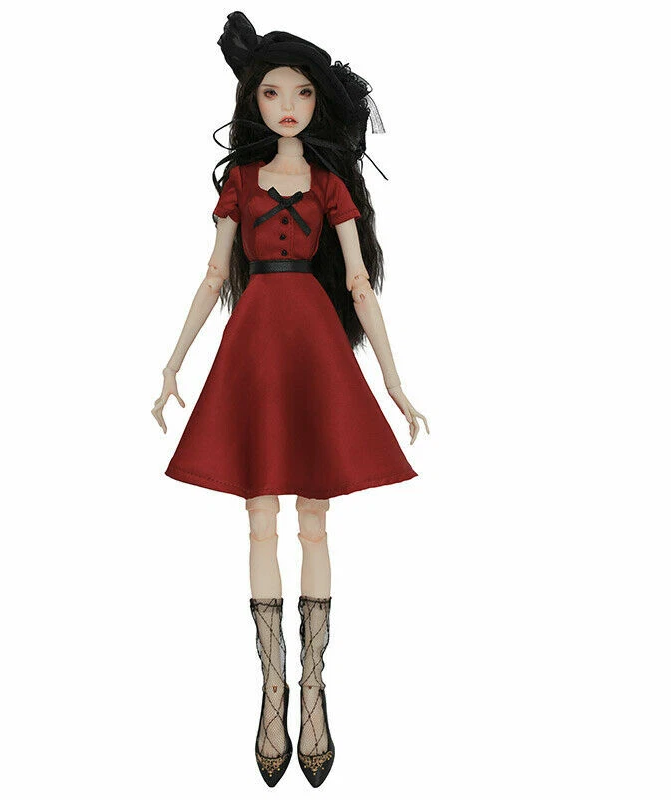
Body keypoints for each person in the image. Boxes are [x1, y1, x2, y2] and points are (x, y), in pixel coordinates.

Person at [151, 11, 429, 786]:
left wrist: (394, 382)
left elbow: (359, 284)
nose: (287, 106)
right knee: (258, 517)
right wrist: (172, 364)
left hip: (312, 346)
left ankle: (314, 690)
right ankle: (272, 689)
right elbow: (214, 275)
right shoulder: (240, 182)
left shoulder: (331, 185)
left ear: (319, 102)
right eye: (272, 92)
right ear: (253, 99)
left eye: (302, 93)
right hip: (255, 347)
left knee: (313, 518)